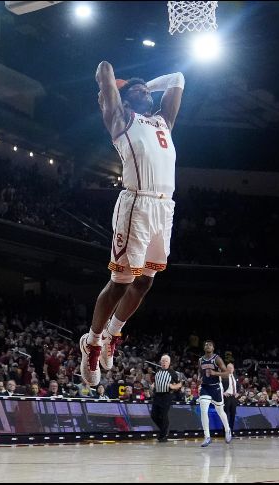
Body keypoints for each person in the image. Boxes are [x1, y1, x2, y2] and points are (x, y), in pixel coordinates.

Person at [79, 60, 185, 386]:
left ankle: (113, 334)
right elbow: (104, 69)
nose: (146, 94)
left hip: (163, 207)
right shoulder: (120, 117)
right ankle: (93, 342)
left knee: (145, 282)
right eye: (138, 91)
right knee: (121, 282)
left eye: (147, 91)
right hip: (136, 203)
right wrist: (121, 86)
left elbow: (177, 77)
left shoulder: (163, 121)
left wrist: (143, 85)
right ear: (125, 100)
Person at [198, 340, 233, 447]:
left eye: (210, 345)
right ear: (204, 348)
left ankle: (227, 430)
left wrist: (215, 373)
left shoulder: (217, 359)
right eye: (205, 345)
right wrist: (199, 378)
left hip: (216, 388)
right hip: (205, 388)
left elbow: (227, 374)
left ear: (213, 348)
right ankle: (207, 436)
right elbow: (200, 371)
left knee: (220, 411)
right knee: (203, 411)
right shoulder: (200, 360)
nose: (207, 346)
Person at [150, 354, 182, 442]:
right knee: (154, 415)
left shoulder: (172, 372)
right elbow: (156, 382)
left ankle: (163, 435)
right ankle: (164, 430)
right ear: (160, 362)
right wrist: (153, 386)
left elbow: (179, 384)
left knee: (163, 416)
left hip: (166, 396)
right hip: (157, 396)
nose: (164, 363)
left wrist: (173, 387)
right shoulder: (157, 371)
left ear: (169, 362)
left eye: (166, 361)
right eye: (163, 361)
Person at [222, 363, 239, 432]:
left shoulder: (235, 376)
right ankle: (225, 430)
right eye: (228, 368)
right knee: (226, 414)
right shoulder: (223, 376)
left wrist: (238, 393)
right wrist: (223, 392)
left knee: (233, 414)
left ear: (233, 369)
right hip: (227, 397)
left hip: (234, 397)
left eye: (231, 368)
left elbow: (238, 386)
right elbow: (219, 385)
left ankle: (231, 430)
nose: (230, 369)